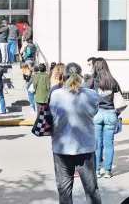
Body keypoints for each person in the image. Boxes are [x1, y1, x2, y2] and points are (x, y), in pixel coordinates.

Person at [49, 62, 101, 204]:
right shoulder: (91, 95)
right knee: (92, 190)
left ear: (64, 76)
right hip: (85, 148)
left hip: (62, 148)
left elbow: (52, 115)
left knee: (64, 191)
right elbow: (94, 111)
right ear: (80, 76)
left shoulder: (56, 95)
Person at [89, 58, 121, 178]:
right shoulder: (113, 81)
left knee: (97, 144)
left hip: (97, 114)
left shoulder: (93, 81)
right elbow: (119, 98)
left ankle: (97, 170)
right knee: (109, 144)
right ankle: (108, 171)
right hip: (110, 113)